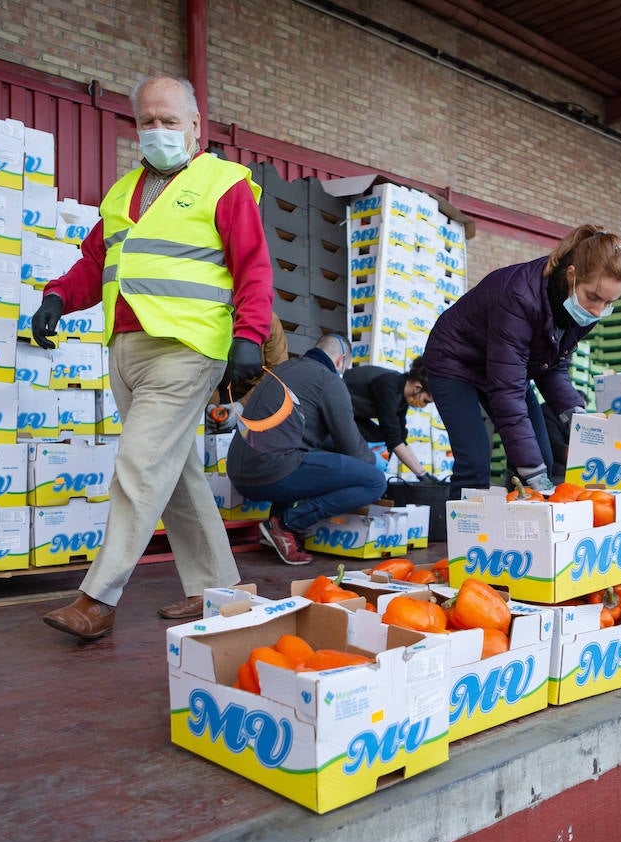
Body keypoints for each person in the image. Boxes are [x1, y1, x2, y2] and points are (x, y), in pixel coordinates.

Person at [31, 74, 272, 638]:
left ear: (195, 125)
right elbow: (96, 264)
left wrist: (250, 335)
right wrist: (57, 297)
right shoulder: (121, 194)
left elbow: (253, 266)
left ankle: (98, 598)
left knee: (139, 468)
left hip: (186, 349)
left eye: (169, 120)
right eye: (146, 121)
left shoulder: (223, 183)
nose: (157, 131)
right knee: (177, 473)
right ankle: (223, 590)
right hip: (127, 351)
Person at [421, 225, 621, 497]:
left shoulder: (582, 309)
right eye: (593, 297)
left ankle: (517, 532)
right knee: (475, 461)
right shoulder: (520, 296)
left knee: (540, 454)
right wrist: (532, 470)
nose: (597, 310)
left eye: (608, 303)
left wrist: (574, 414)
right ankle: (462, 536)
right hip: (455, 360)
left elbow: (553, 367)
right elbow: (507, 392)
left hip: (503, 364)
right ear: (572, 275)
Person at [227, 333, 387, 565]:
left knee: (300, 454)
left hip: (239, 473)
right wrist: (374, 460)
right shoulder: (329, 380)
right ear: (341, 361)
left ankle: (275, 530)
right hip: (271, 471)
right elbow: (351, 447)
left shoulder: (284, 369)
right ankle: (286, 523)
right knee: (374, 481)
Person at [344, 357, 437, 480]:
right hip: (335, 408)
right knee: (384, 440)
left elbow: (400, 437)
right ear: (417, 387)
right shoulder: (389, 384)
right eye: (426, 401)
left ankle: (372, 478)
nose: (424, 406)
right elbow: (393, 438)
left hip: (353, 414)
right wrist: (420, 474)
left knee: (381, 439)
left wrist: (423, 473)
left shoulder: (402, 397)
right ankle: (364, 479)